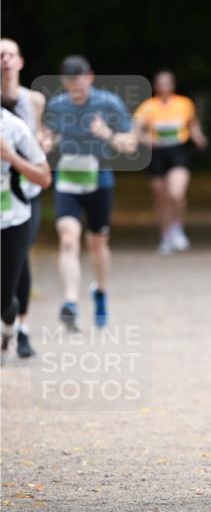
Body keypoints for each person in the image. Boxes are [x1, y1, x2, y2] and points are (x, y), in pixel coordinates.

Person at [42, 55, 136, 331]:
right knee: (68, 238)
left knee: (97, 244)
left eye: (80, 86)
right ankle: (70, 302)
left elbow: (130, 145)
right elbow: (47, 136)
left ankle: (101, 291)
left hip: (99, 182)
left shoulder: (109, 103)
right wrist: (46, 142)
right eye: (72, 88)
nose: (77, 92)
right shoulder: (57, 106)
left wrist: (107, 134)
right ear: (64, 83)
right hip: (68, 182)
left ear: (90, 77)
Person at [1, 38, 47, 357]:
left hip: (23, 194)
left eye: (10, 54)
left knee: (19, 258)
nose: (5, 59)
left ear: (20, 61)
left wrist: (40, 144)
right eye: (0, 55)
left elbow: (37, 138)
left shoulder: (33, 101)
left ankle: (22, 327)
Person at [133, 70, 208, 254]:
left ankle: (177, 228)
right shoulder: (148, 107)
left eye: (167, 83)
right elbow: (135, 130)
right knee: (161, 198)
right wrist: (146, 139)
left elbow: (193, 123)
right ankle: (165, 235)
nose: (164, 87)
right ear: (156, 86)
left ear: (173, 85)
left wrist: (197, 135)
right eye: (161, 84)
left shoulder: (184, 103)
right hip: (157, 153)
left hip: (178, 151)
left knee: (176, 193)